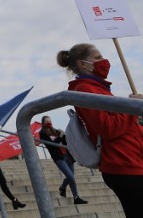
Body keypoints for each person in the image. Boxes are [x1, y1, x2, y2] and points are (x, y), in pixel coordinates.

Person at [57, 43, 143, 217]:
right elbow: (107, 128)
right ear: (82, 64)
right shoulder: (84, 89)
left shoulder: (98, 89)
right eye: (97, 58)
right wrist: (132, 108)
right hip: (122, 163)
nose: (104, 61)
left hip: (132, 159)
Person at [38, 115, 87, 204]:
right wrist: (59, 137)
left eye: (50, 121)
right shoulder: (42, 133)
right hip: (58, 158)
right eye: (46, 121)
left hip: (67, 156)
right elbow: (51, 145)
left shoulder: (55, 131)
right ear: (43, 123)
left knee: (71, 177)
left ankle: (71, 193)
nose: (49, 123)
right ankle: (69, 191)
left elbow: (65, 142)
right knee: (71, 177)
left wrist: (63, 135)